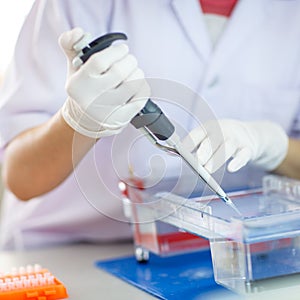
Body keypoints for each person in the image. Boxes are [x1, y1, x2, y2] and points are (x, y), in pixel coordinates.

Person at [0, 0, 300, 250]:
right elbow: (20, 177)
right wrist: (78, 120)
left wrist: (275, 146)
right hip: (69, 252)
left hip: (225, 254)